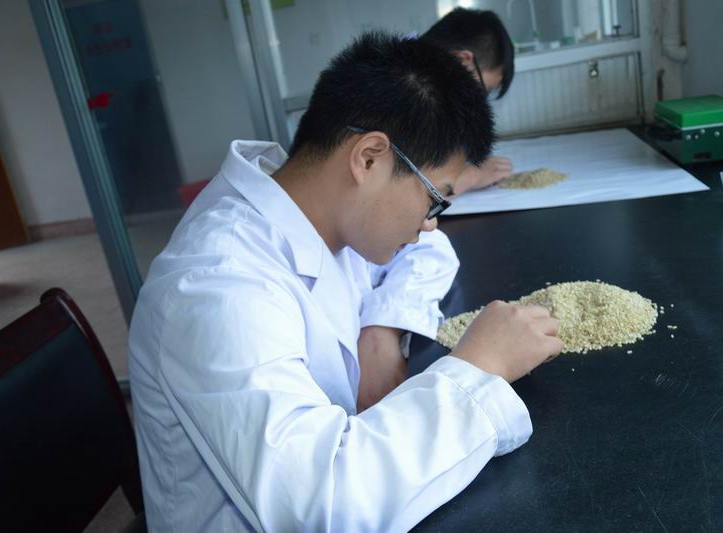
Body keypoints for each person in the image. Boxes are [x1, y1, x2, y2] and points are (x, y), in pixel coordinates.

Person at [128, 32, 562, 532]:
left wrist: (381, 328)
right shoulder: (217, 287)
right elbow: (318, 507)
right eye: (434, 198)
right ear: (369, 158)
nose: (430, 223)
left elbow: (429, 251)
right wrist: (478, 368)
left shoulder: (318, 212)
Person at [421, 8, 517, 195]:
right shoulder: (402, 95)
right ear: (461, 60)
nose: (480, 101)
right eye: (483, 90)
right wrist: (472, 176)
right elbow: (403, 196)